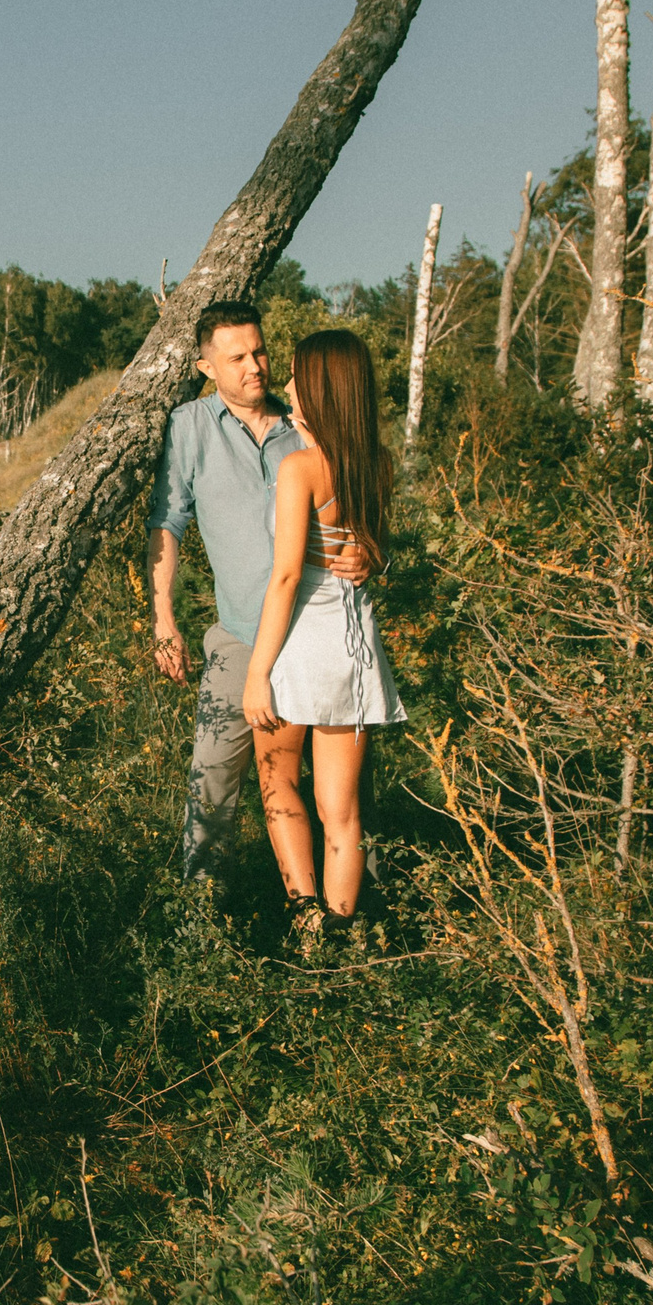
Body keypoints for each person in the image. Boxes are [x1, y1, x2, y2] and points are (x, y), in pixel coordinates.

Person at [147, 302, 370, 885]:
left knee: (333, 792)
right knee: (214, 776)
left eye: (261, 351)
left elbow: (357, 504)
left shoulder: (307, 419)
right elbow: (167, 522)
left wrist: (372, 554)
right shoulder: (190, 426)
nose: (255, 366)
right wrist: (163, 616)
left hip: (319, 636)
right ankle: (206, 918)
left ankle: (350, 921)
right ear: (206, 367)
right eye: (237, 357)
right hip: (244, 635)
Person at [241, 329, 406, 951]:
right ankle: (342, 937)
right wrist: (372, 557)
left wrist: (258, 673)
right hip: (355, 646)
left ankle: (306, 924)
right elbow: (369, 552)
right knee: (343, 811)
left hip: (300, 643)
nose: (286, 387)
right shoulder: (375, 464)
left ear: (319, 387)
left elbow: (286, 576)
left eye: (295, 377)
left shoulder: (299, 467)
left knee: (279, 780)